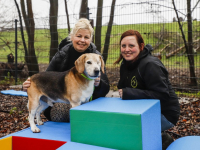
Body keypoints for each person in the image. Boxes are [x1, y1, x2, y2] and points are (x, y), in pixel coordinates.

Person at [22, 18, 110, 122]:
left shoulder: (97, 57)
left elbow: (106, 88)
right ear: (72, 37)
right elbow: (45, 78)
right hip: (63, 100)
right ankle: (76, 126)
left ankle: (83, 121)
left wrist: (98, 84)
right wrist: (27, 85)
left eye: (86, 37)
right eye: (79, 36)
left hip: (91, 101)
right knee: (59, 113)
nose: (82, 40)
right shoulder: (61, 55)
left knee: (95, 116)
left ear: (90, 39)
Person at [114, 30, 180, 150]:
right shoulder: (125, 64)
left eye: (131, 45)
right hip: (142, 108)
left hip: (164, 113)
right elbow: (122, 86)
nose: (126, 49)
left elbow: (162, 94)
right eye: (123, 46)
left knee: (128, 128)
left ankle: (163, 140)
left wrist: (129, 93)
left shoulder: (151, 65)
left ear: (141, 46)